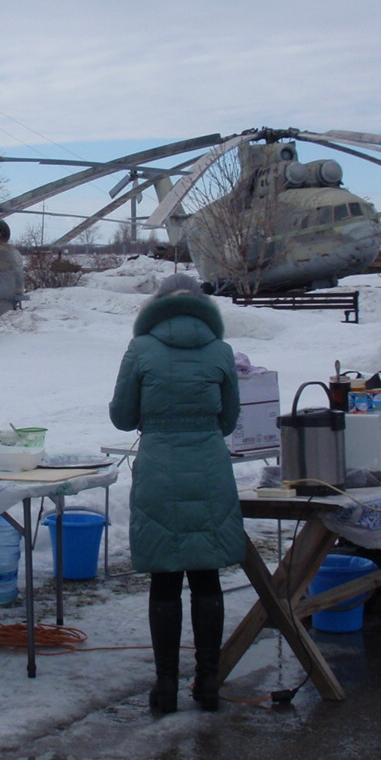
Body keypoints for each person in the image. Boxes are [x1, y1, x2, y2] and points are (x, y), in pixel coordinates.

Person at [109, 273, 242, 714]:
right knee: (206, 576)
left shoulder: (141, 349)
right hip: (209, 468)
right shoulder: (221, 351)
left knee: (165, 578)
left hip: (160, 469)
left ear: (157, 307)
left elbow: (123, 418)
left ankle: (165, 686)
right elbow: (229, 420)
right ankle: (208, 682)